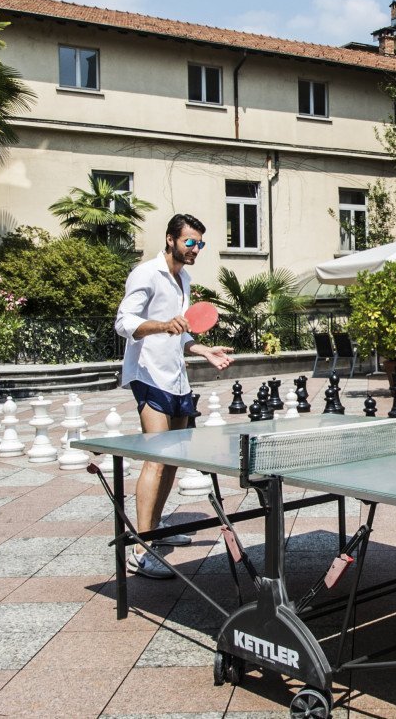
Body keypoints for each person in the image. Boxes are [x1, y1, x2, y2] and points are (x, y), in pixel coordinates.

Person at [113, 213, 234, 580]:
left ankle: (158, 529)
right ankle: (140, 548)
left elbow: (182, 333)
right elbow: (124, 322)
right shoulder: (146, 274)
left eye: (200, 243)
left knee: (173, 460)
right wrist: (163, 325)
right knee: (156, 458)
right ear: (170, 240)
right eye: (190, 242)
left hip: (176, 377)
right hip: (148, 375)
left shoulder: (184, 277)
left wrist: (204, 351)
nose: (195, 249)